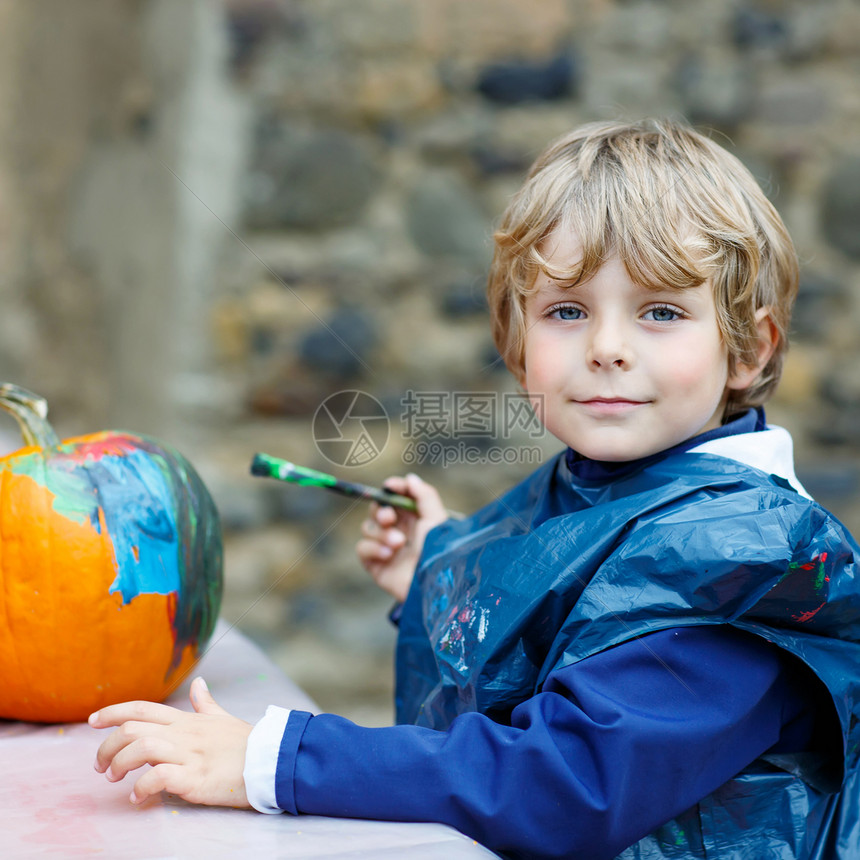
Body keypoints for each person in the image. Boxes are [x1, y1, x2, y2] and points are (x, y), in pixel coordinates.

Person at [90, 118, 860, 859]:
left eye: (661, 311)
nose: (608, 348)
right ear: (517, 345)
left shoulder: (748, 563)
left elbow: (564, 782)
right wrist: (439, 576)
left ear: (749, 350)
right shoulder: (608, 483)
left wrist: (271, 759)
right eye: (567, 311)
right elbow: (553, 622)